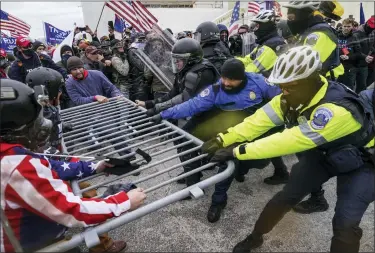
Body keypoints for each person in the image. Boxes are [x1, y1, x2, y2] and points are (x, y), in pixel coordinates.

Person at [201, 46, 374, 253]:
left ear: (311, 80)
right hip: (325, 154)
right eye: (281, 85)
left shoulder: (336, 110)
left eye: (289, 86)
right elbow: (257, 121)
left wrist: (238, 151)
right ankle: (255, 237)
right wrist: (223, 138)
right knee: (284, 199)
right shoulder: (290, 97)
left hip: (362, 161)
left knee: (345, 222)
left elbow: (290, 140)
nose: (284, 91)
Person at [0, 79, 147, 252]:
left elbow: (50, 164)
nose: (39, 126)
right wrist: (124, 201)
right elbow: (70, 210)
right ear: (13, 128)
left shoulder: (11, 153)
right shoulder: (15, 166)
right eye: (34, 123)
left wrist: (96, 166)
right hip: (31, 244)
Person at [152, 59, 288, 222]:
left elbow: (282, 102)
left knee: (240, 160)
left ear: (242, 77)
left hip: (256, 126)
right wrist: (163, 113)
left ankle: (219, 200)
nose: (226, 82)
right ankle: (200, 186)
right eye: (224, 77)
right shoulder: (216, 89)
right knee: (208, 149)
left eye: (231, 79)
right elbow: (192, 105)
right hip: (228, 126)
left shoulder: (259, 83)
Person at [284, 0, 346, 214]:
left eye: (292, 16)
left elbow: (300, 67)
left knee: (309, 145)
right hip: (307, 95)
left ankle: (318, 197)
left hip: (317, 96)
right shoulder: (308, 31)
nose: (289, 19)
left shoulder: (318, 34)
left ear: (306, 14)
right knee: (307, 146)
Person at [136, 38, 220, 115]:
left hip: (213, 115)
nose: (175, 63)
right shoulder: (184, 70)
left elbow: (183, 99)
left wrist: (156, 110)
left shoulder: (202, 72)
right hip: (197, 111)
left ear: (190, 60)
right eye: (174, 60)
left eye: (179, 60)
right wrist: (148, 104)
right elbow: (172, 94)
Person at [284, 0, 344, 81]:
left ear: (303, 16)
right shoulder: (307, 31)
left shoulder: (319, 34)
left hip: (322, 83)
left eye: (291, 18)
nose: (289, 22)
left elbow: (306, 66)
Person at [238, 10, 288, 78]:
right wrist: (231, 61)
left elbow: (250, 71)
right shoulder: (265, 44)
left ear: (266, 27)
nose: (254, 30)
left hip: (272, 86)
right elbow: (248, 59)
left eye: (257, 26)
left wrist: (234, 72)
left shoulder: (272, 46)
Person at [336, 18, 363, 90]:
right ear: (342, 26)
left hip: (350, 68)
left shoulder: (354, 37)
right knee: (336, 88)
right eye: (345, 26)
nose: (346, 28)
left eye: (348, 26)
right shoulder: (336, 36)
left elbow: (359, 54)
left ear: (352, 27)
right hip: (337, 67)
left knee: (348, 89)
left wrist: (349, 57)